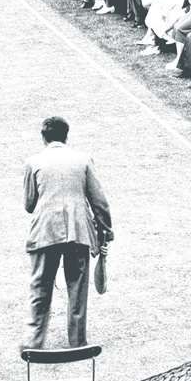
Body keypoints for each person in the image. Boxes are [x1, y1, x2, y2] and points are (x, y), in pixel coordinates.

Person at [21, 116, 112, 350]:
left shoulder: (33, 162)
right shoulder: (83, 160)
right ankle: (77, 341)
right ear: (66, 136)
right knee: (77, 289)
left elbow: (29, 204)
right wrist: (106, 229)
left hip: (45, 232)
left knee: (40, 288)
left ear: (44, 138)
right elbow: (99, 201)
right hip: (78, 231)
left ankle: (34, 342)